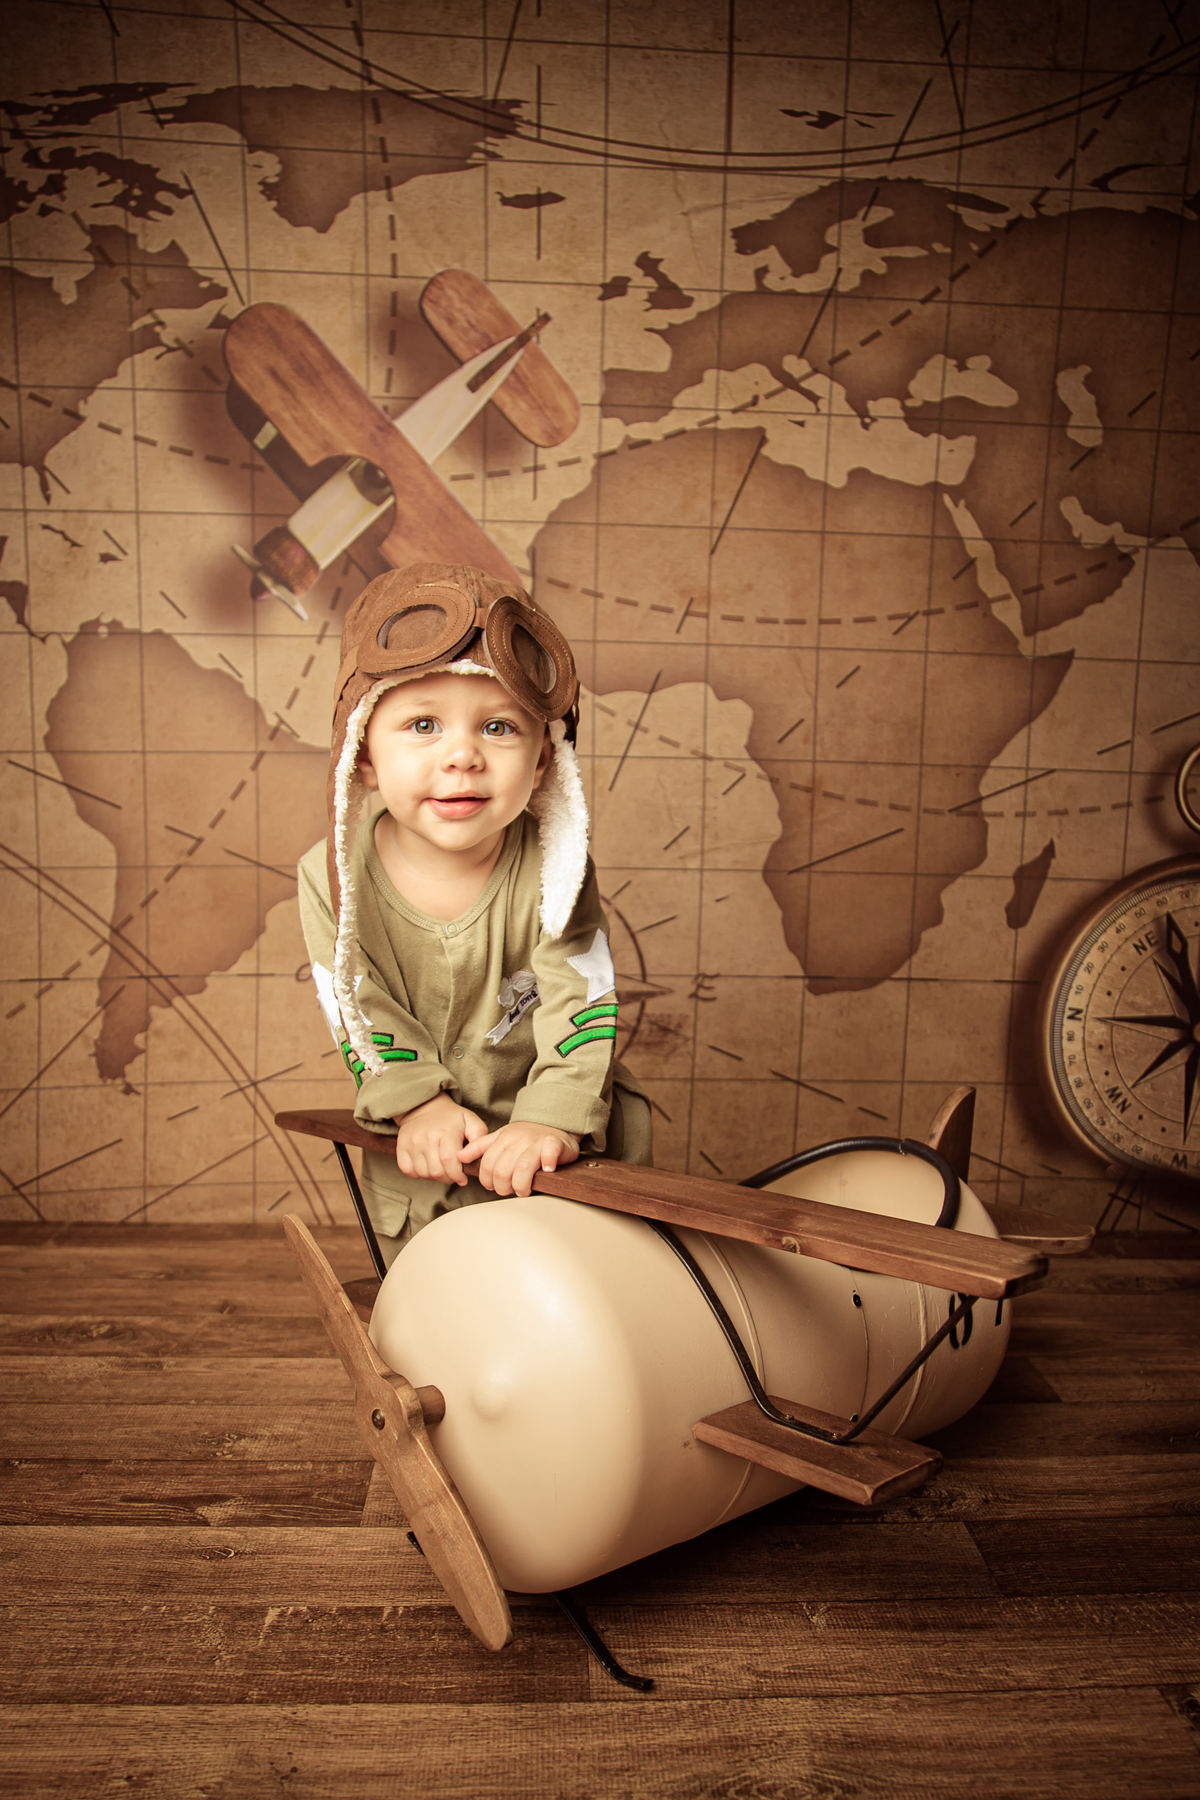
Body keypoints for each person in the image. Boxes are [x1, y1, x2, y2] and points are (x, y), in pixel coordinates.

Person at [298, 561, 651, 1259]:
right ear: (363, 754)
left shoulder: (557, 867)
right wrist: (417, 1104)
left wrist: (551, 1121)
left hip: (557, 1144)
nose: (461, 756)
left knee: (586, 1294)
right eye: (422, 724)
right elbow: (357, 1003)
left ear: (545, 761)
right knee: (443, 1304)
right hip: (428, 1149)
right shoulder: (331, 876)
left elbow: (579, 996)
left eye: (498, 728)